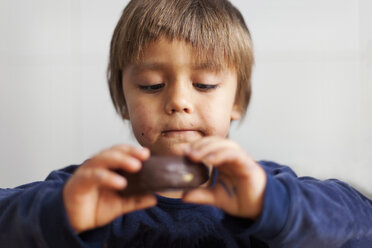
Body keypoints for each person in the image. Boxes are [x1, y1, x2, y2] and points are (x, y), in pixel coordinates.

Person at [1, 0, 371, 247]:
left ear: (236, 101)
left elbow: (361, 218)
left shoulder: (267, 191)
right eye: (152, 86)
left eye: (205, 84)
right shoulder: (88, 190)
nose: (178, 101)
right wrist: (58, 214)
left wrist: (270, 205)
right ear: (123, 100)